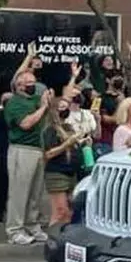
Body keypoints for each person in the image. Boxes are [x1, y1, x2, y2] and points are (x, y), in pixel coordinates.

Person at [3, 72, 52, 246]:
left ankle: (32, 225)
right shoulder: (14, 102)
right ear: (19, 85)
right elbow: (26, 124)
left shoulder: (35, 99)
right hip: (21, 150)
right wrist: (42, 108)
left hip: (38, 149)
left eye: (34, 82)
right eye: (29, 83)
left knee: (35, 192)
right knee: (19, 192)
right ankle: (15, 230)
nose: (34, 86)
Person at [42, 97, 86, 226]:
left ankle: (64, 238)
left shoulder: (68, 126)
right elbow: (49, 153)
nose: (65, 110)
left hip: (71, 172)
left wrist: (81, 142)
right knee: (60, 211)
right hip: (56, 173)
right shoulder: (50, 130)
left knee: (69, 212)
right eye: (61, 107)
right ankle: (52, 239)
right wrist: (67, 143)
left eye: (67, 107)